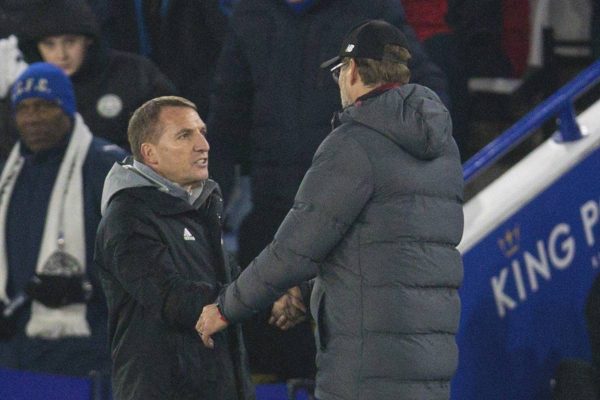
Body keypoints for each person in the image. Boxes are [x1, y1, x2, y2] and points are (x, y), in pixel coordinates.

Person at [198, 20, 464, 399]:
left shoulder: (354, 142)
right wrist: (310, 293)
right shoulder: (443, 147)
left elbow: (292, 250)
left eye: (339, 72)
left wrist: (225, 308)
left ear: (352, 71)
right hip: (428, 362)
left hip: (365, 367)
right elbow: (388, 253)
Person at [93, 96, 254, 399]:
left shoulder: (201, 209)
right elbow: (168, 295)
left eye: (202, 132)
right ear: (150, 154)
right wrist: (239, 302)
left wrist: (277, 295)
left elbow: (234, 282)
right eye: (185, 135)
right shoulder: (127, 217)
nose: (203, 145)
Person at [0, 62, 127, 379]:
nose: (32, 118)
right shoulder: (10, 174)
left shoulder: (106, 166)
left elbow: (138, 253)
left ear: (67, 109)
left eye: (44, 106)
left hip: (87, 347)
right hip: (15, 348)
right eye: (24, 109)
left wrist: (86, 288)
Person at [13, 0, 176, 151]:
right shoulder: (27, 89)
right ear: (35, 47)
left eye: (70, 42)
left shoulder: (134, 73)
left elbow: (174, 129)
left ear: (88, 40)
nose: (61, 55)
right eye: (49, 45)